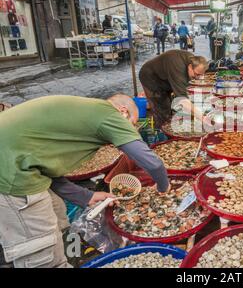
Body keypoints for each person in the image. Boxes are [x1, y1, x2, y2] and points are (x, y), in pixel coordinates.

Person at [0, 94, 170, 268]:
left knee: (58, 215)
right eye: (133, 124)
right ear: (124, 112)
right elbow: (154, 164)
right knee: (42, 252)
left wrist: (87, 196)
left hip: (18, 161)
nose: (132, 130)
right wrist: (164, 187)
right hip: (11, 174)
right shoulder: (109, 114)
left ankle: (66, 257)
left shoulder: (87, 112)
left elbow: (46, 168)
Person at [139, 50, 210, 129]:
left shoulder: (193, 60)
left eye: (200, 75)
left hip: (165, 78)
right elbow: (182, 99)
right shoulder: (178, 68)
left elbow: (182, 87)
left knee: (168, 105)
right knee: (161, 109)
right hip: (150, 77)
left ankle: (167, 123)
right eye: (196, 74)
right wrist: (202, 118)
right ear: (190, 67)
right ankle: (160, 133)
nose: (197, 78)